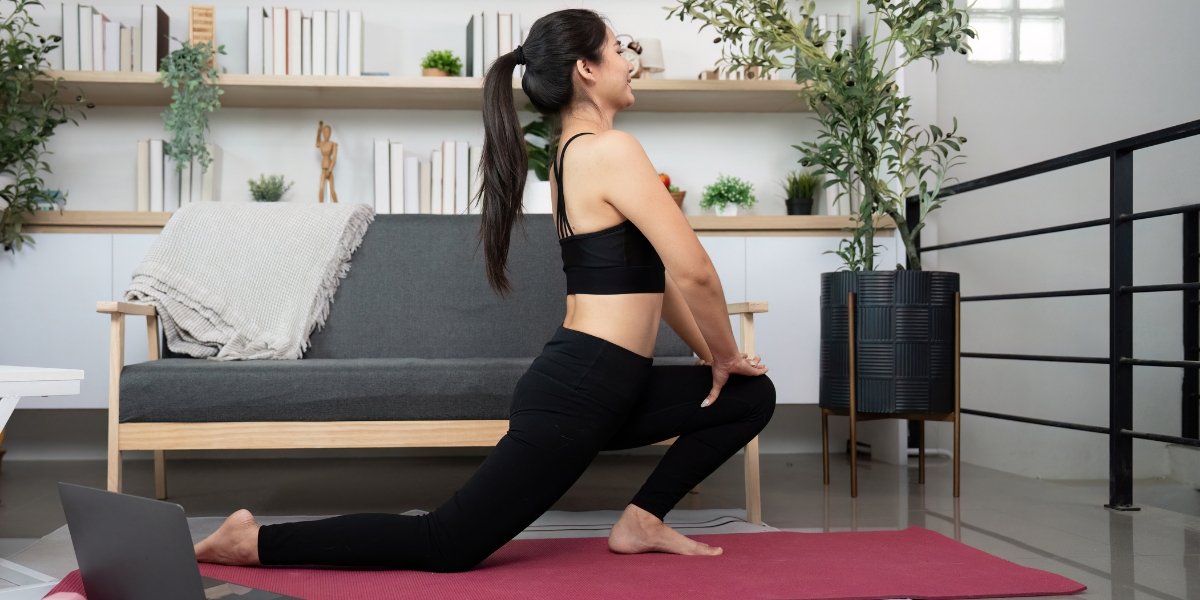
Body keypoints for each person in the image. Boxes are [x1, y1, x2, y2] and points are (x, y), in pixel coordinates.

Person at [193, 8, 775, 574]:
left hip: (609, 382)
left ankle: (642, 521)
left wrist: (712, 358)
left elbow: (661, 279)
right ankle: (254, 541)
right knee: (447, 543)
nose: (631, 61)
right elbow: (696, 271)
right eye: (620, 48)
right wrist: (725, 355)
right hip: (582, 390)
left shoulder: (579, 156)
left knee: (750, 396)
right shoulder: (609, 152)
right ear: (586, 68)